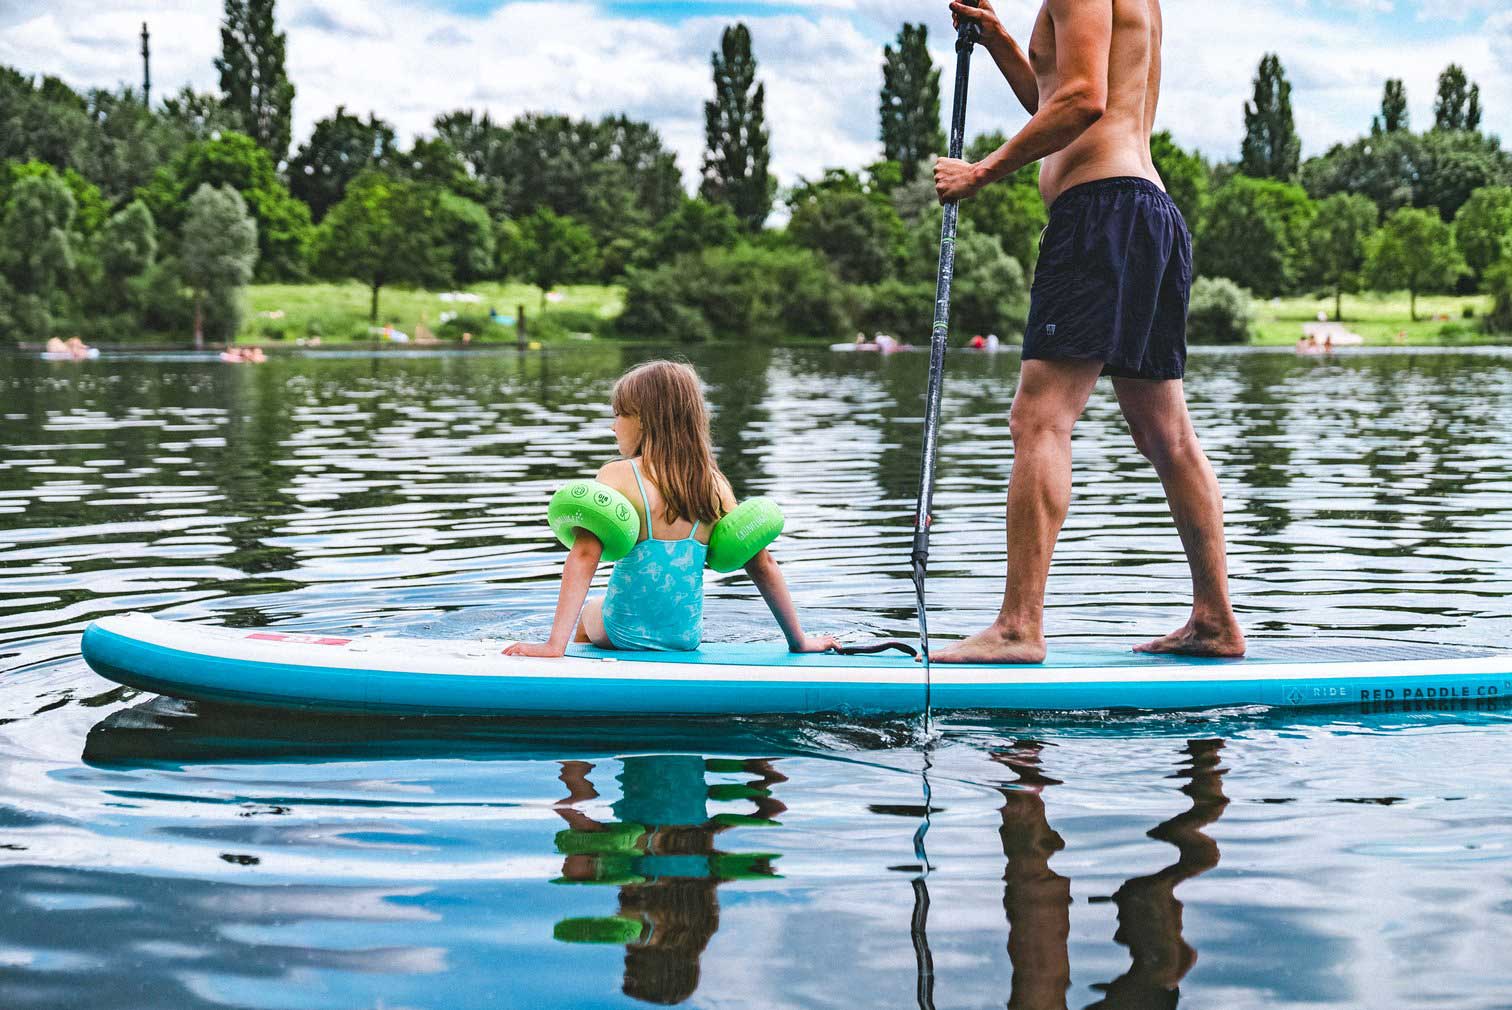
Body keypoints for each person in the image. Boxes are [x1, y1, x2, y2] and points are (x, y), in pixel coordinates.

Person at [933, 0, 1244, 661]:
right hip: (1147, 213)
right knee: (1167, 434)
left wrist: (981, 171)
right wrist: (1002, 44)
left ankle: (1019, 625)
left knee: (1038, 418)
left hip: (1100, 214)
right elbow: (1056, 98)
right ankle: (1215, 619)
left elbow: (1080, 102)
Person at [504, 360, 837, 658]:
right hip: (685, 637)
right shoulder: (714, 485)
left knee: (593, 611)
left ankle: (573, 669)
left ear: (646, 420)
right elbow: (761, 563)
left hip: (623, 631)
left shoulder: (617, 475)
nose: (613, 426)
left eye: (618, 414)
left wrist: (553, 645)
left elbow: (584, 555)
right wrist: (799, 641)